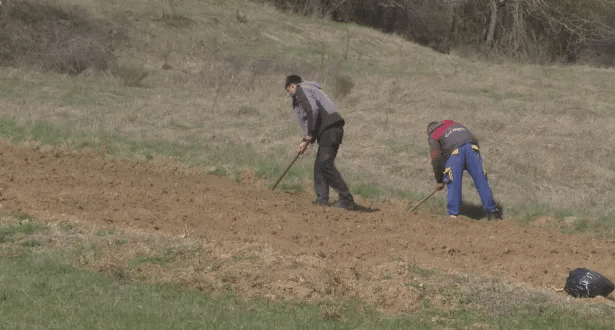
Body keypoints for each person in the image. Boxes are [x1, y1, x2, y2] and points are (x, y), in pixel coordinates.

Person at [285, 74, 356, 210]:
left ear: (292, 86)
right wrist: (306, 141)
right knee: (320, 165)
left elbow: (312, 110)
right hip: (330, 129)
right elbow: (315, 118)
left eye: (289, 92)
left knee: (325, 164)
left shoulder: (301, 89)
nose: (291, 95)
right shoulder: (313, 91)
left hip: (330, 129)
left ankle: (346, 199)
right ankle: (322, 199)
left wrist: (309, 136)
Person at [426, 120, 501, 220]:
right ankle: (492, 213)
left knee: (453, 181)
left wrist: (439, 180)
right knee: (481, 179)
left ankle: (453, 216)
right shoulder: (453, 124)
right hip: (472, 146)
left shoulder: (433, 134)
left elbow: (436, 158)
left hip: (455, 152)